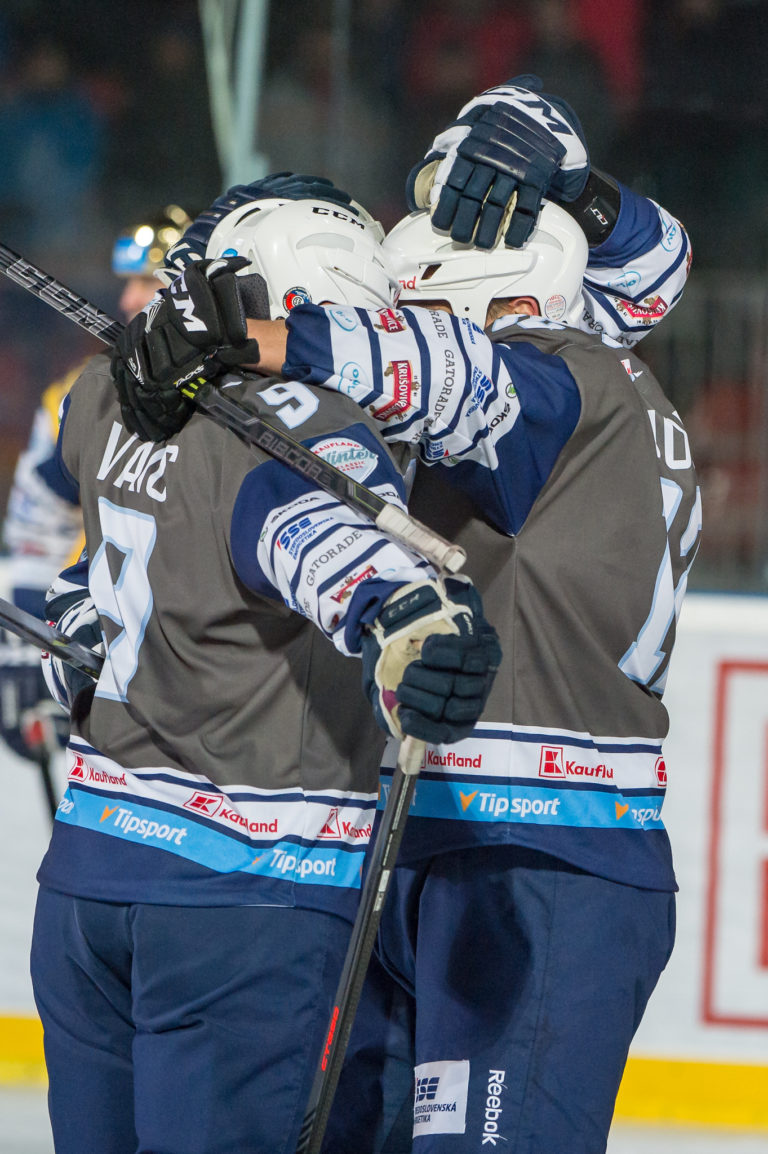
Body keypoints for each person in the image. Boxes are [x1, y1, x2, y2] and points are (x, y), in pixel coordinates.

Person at [109, 81, 697, 1152]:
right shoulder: (588, 367)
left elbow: (446, 372)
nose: (403, 333)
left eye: (419, 303)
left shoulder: (564, 384)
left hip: (537, 858)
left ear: (500, 295)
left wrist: (264, 340)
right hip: (436, 835)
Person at [31, 195, 500, 1154]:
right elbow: (319, 543)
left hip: (89, 880)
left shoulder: (101, 394)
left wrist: (73, 647)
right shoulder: (302, 422)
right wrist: (410, 617)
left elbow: (90, 588)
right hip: (237, 898)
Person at [0, 205, 191, 785]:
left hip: (204, 664)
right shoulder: (81, 396)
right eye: (127, 282)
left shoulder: (250, 400)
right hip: (97, 653)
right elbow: (39, 530)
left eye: (151, 282)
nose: (129, 300)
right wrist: (19, 652)